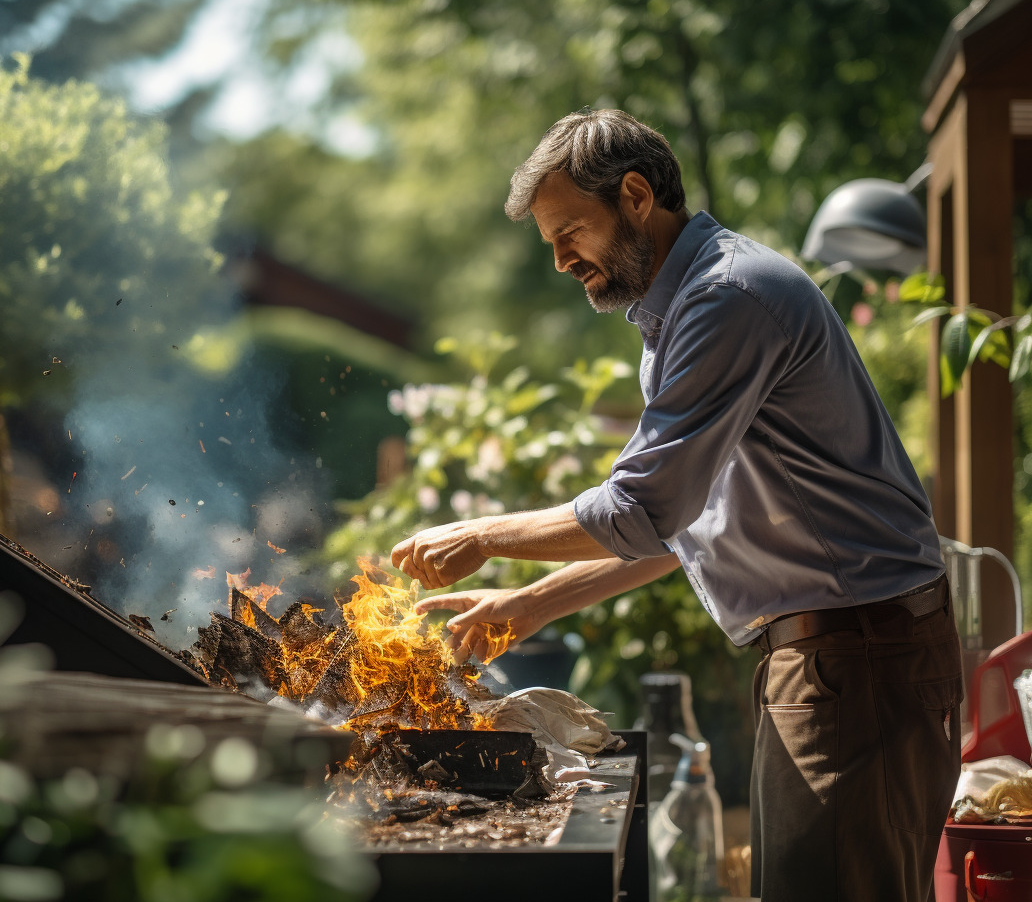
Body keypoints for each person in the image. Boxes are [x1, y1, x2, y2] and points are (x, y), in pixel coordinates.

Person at [392, 109, 962, 902]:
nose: (561, 261)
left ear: (634, 195)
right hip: (840, 658)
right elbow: (690, 521)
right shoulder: (689, 306)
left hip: (858, 658)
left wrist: (483, 534)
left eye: (569, 233)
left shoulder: (727, 298)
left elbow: (643, 509)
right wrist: (527, 605)